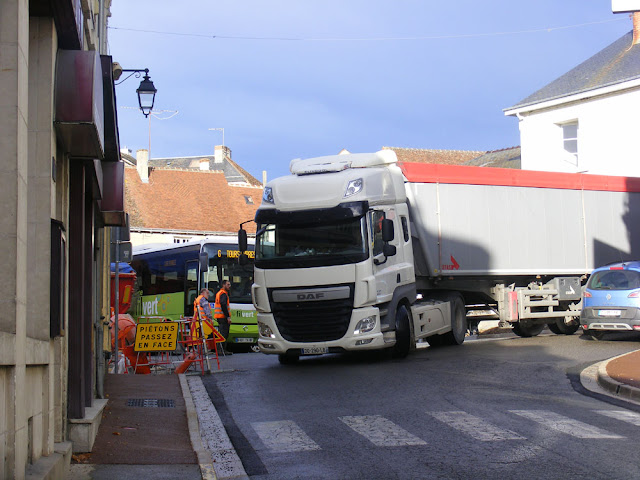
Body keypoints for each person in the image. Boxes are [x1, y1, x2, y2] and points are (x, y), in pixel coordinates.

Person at [214, 279, 233, 355]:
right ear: (223, 285)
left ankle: (220, 349)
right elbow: (223, 304)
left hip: (220, 316)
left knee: (222, 333)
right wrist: (228, 316)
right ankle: (221, 350)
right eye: (228, 285)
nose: (229, 286)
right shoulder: (223, 294)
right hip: (222, 317)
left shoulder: (220, 293)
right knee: (224, 333)